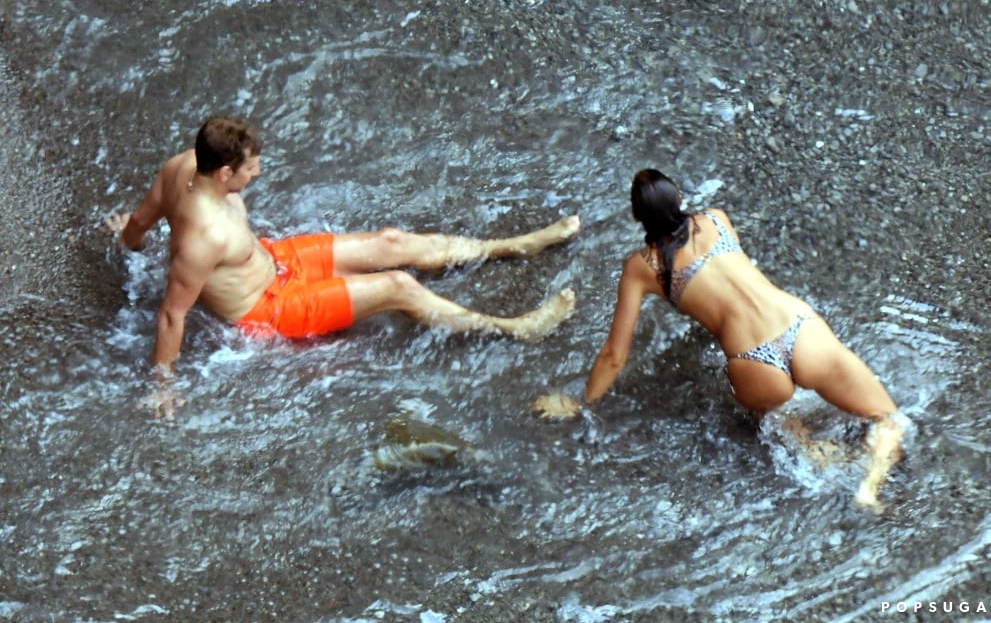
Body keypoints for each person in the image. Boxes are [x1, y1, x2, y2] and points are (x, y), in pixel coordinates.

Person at [108, 116, 579, 410]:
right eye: (252, 167)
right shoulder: (202, 239)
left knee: (390, 242)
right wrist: (162, 383)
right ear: (226, 172)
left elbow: (143, 217)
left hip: (273, 259)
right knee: (396, 285)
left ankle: (511, 245)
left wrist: (124, 240)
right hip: (266, 309)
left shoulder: (185, 164)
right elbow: (173, 313)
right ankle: (516, 327)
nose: (260, 171)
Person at [532, 169, 902, 511]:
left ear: (637, 217)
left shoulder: (642, 267)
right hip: (800, 328)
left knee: (777, 420)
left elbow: (614, 355)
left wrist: (582, 402)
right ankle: (870, 485)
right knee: (887, 419)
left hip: (752, 360)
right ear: (678, 198)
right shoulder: (716, 219)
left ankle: (816, 453)